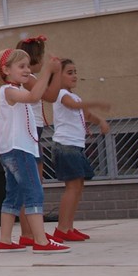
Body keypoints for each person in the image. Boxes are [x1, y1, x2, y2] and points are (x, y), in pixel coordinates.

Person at [0, 48, 69, 254]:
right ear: (6, 70)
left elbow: (35, 95)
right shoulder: (9, 90)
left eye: (28, 66)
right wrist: (47, 71)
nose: (27, 70)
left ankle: (5, 240)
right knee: (34, 192)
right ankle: (41, 240)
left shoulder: (15, 90)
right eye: (21, 66)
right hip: (19, 149)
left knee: (13, 195)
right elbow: (35, 96)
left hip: (12, 150)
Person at [50, 59, 111, 242]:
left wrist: (100, 120)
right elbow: (73, 106)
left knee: (78, 186)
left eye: (75, 71)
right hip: (65, 146)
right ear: (57, 77)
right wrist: (96, 102)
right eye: (69, 72)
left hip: (76, 146)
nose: (74, 75)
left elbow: (85, 114)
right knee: (72, 186)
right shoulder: (60, 93)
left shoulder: (75, 96)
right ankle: (61, 228)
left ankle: (68, 227)